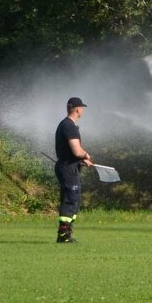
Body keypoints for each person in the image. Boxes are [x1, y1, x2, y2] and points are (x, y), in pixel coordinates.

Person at [54, 97, 94, 243]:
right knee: (70, 199)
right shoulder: (70, 126)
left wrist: (82, 160)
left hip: (68, 166)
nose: (82, 110)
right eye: (81, 108)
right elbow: (77, 151)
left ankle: (66, 233)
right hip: (68, 168)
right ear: (78, 109)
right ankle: (63, 235)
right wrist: (85, 155)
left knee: (73, 199)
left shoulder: (65, 125)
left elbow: (71, 153)